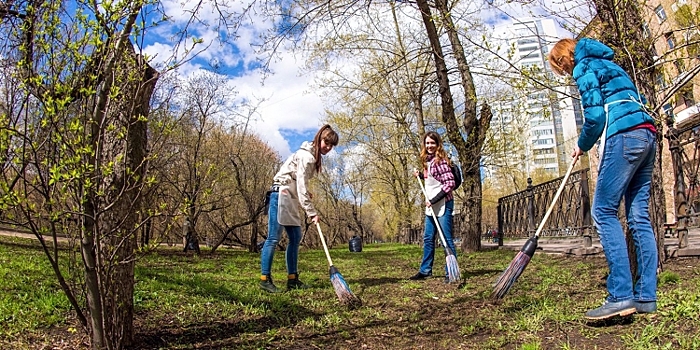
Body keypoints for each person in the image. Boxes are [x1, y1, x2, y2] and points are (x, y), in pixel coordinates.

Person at [549, 38, 658, 320]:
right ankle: (646, 296)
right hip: (647, 134)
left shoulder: (584, 67)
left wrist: (582, 145)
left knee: (603, 211)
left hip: (623, 136)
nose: (564, 73)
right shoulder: (610, 64)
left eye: (560, 67)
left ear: (565, 59)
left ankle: (621, 296)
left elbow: (596, 116)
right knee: (638, 216)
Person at [259, 124, 339, 293]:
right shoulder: (307, 157)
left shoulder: (311, 156)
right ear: (319, 138)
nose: (329, 147)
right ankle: (265, 279)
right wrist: (312, 212)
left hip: (290, 196)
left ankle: (293, 279)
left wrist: (305, 193)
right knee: (273, 238)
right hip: (280, 195)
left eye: (332, 145)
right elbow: (299, 184)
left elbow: (297, 181)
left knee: (295, 237)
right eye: (327, 142)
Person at [409, 131, 459, 283]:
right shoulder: (427, 161)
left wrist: (434, 199)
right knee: (428, 238)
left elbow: (449, 184)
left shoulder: (441, 161)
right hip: (431, 205)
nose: (430, 146)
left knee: (446, 238)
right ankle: (425, 270)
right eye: (427, 143)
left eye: (433, 143)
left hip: (443, 203)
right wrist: (420, 175)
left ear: (438, 145)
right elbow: (433, 182)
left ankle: (451, 272)